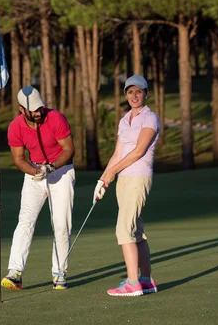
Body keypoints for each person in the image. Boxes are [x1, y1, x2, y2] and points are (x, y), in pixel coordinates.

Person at [1, 86, 76, 290]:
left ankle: (59, 274)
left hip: (61, 172)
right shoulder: (15, 127)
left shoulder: (56, 118)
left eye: (40, 107)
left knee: (61, 225)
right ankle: (15, 273)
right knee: (25, 221)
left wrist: (51, 167)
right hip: (34, 173)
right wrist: (36, 172)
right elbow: (18, 159)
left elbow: (69, 150)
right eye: (33, 109)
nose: (38, 112)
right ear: (21, 110)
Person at [93, 74, 160, 297]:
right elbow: (117, 153)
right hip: (123, 180)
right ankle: (146, 280)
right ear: (125, 95)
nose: (134, 95)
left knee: (124, 229)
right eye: (130, 92)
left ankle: (132, 283)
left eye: (139, 91)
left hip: (139, 177)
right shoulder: (124, 120)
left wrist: (112, 171)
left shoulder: (150, 118)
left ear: (146, 94)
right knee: (136, 230)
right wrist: (103, 179)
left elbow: (139, 151)